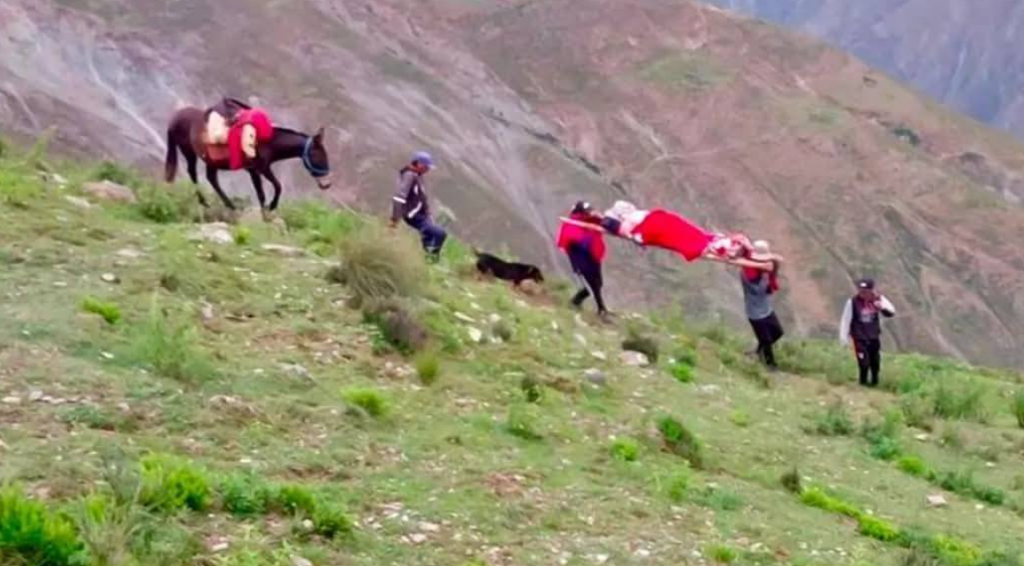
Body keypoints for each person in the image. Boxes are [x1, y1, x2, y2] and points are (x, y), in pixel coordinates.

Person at [559, 200, 774, 270]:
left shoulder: (618, 220)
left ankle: (725, 247)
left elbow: (618, 225)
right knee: (686, 234)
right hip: (653, 224)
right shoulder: (615, 222)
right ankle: (727, 248)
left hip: (654, 223)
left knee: (687, 234)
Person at [556, 201, 609, 319]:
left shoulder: (589, 221)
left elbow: (604, 224)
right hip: (582, 261)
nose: (590, 213)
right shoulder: (572, 224)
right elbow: (577, 242)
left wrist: (600, 220)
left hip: (591, 259)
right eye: (587, 211)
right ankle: (601, 308)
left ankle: (579, 304)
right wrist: (591, 233)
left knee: (597, 283)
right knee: (591, 286)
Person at [839, 278, 896, 387]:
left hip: (874, 337)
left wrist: (881, 306)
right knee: (864, 364)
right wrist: (843, 338)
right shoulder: (852, 302)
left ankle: (874, 383)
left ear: (871, 290)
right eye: (860, 290)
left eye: (865, 291)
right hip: (859, 338)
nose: (862, 293)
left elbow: (891, 312)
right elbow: (845, 320)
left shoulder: (879, 299)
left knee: (875, 363)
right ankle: (863, 383)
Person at [390, 151, 447, 259]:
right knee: (440, 234)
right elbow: (399, 198)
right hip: (413, 216)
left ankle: (427, 258)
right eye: (426, 166)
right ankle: (431, 260)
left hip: (421, 216)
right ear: (419, 164)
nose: (428, 169)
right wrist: (394, 220)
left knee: (431, 236)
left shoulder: (418, 176)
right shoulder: (409, 175)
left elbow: (422, 198)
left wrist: (428, 214)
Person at [740, 240, 784, 370]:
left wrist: (773, 269)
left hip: (766, 308)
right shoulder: (748, 273)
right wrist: (766, 273)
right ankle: (770, 365)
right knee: (766, 340)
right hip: (755, 313)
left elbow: (769, 288)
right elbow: (760, 290)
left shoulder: (760, 270)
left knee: (778, 332)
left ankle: (757, 351)